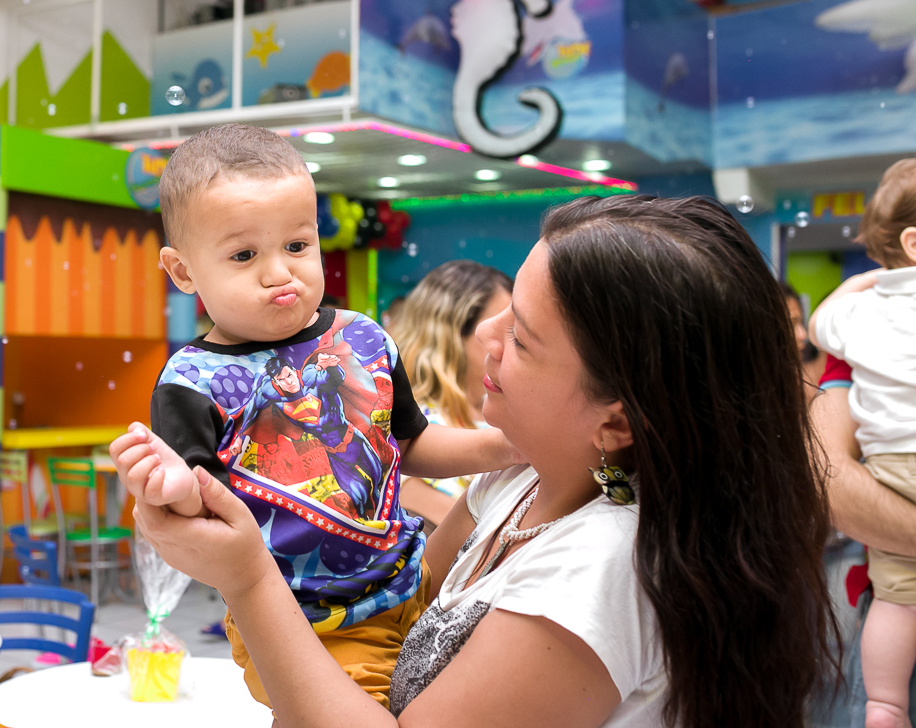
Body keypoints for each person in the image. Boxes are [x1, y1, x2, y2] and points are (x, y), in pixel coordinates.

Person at [122, 195, 837, 728]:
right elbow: (399, 606)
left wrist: (249, 578)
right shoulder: (518, 477)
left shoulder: (598, 575)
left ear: (615, 419)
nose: (484, 340)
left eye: (522, 337)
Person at [109, 123, 519, 711]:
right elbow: (197, 516)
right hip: (308, 625)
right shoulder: (191, 381)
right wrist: (171, 485)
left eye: (297, 246)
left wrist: (506, 447)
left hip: (415, 582)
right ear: (183, 271)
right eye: (245, 255)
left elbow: (412, 443)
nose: (279, 272)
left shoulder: (364, 337)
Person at [810, 158, 916, 728]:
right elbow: (833, 480)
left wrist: (850, 289)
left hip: (893, 464)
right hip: (876, 490)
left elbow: (823, 322)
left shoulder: (858, 314)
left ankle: (885, 705)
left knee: (900, 598)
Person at [391, 260, 512, 527]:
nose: (508, 346)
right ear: (451, 335)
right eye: (498, 329)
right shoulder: (407, 430)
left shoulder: (501, 411)